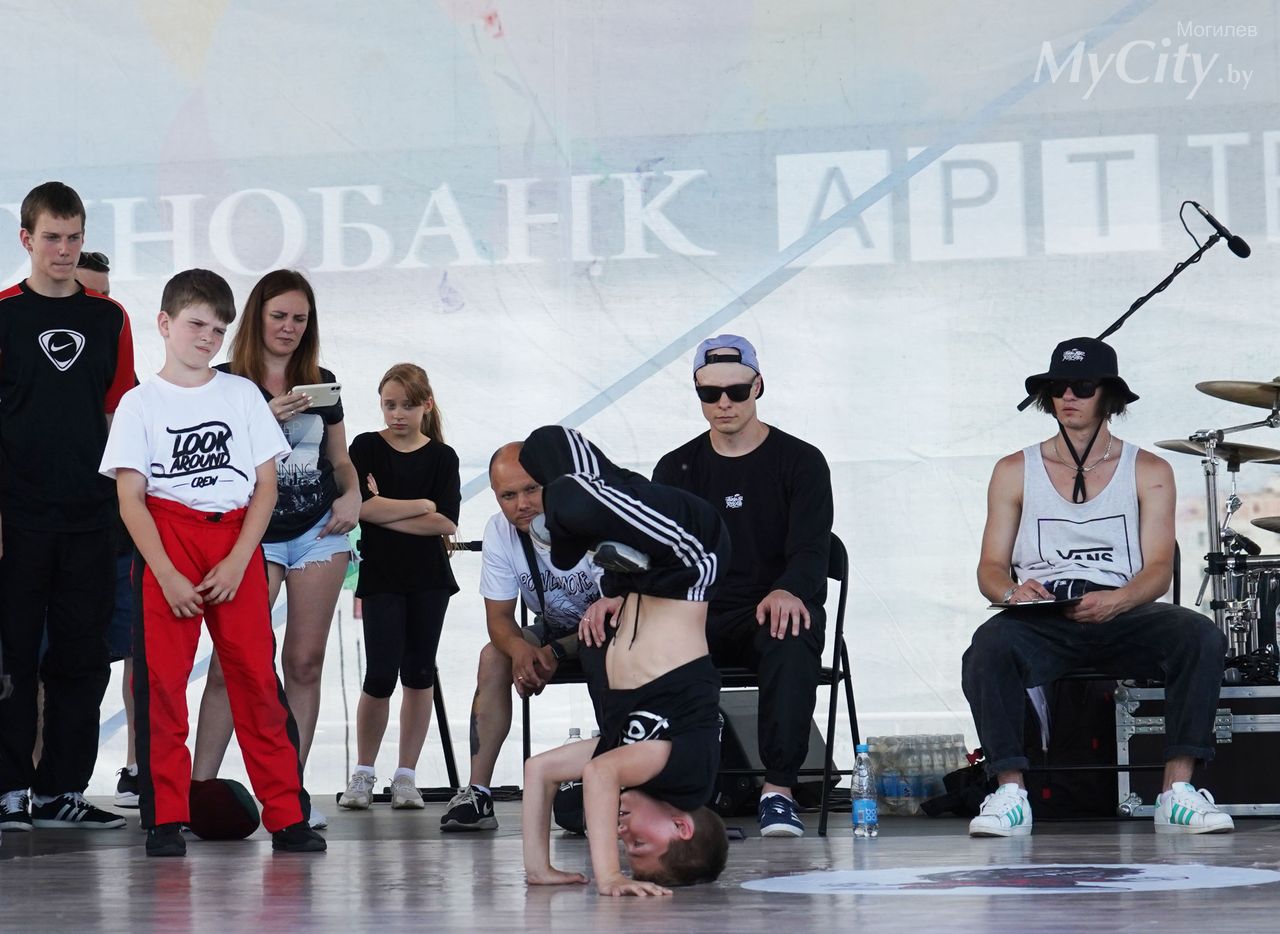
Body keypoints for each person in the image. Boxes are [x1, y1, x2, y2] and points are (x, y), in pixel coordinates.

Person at [962, 336, 1232, 837]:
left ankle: (1176, 792)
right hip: (1046, 613)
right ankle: (1010, 793)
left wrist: (1120, 599)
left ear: (1108, 395)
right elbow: (991, 568)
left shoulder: (1149, 469)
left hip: (1124, 607)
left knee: (1200, 636)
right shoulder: (1013, 469)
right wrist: (1011, 594)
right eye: (1057, 387)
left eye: (1083, 386)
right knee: (987, 645)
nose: (1068, 395)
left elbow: (1158, 569)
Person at [99, 267, 325, 857]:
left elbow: (266, 485)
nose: (207, 337)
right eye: (196, 324)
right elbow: (130, 497)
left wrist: (238, 560)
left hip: (235, 539)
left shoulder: (240, 394)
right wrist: (167, 574)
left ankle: (287, 815)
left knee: (256, 679)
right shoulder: (139, 403)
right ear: (164, 323)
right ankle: (165, 819)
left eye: (218, 329)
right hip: (167, 538)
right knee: (162, 687)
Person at [519, 426, 729, 896]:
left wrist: (539, 867)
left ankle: (581, 529)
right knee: (572, 496)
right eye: (639, 844)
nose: (622, 833)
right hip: (692, 559)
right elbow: (600, 774)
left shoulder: (628, 754)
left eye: (624, 848)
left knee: (544, 449)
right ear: (681, 826)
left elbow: (540, 771)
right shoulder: (687, 780)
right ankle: (574, 524)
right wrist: (610, 876)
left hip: (644, 578)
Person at [191, 270, 360, 831]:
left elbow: (339, 458)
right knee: (231, 663)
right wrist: (265, 417)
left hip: (318, 531)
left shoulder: (322, 382)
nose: (289, 327)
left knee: (304, 663)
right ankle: (199, 791)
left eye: (300, 319)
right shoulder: (224, 381)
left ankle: (290, 795)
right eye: (279, 316)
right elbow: (210, 459)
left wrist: (353, 494)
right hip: (252, 536)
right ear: (257, 317)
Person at [651, 334, 832, 837]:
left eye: (736, 390)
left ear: (759, 387)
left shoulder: (801, 460)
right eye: (710, 394)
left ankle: (779, 790)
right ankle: (658, 785)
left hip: (770, 609)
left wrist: (788, 589)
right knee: (634, 641)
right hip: (698, 614)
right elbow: (660, 556)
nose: (724, 403)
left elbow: (812, 549)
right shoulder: (676, 467)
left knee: (791, 632)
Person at [0, 182, 134, 832]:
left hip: (91, 518)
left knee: (82, 659)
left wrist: (130, 508)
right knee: (13, 658)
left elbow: (120, 418)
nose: (64, 249)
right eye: (52, 237)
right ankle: (8, 791)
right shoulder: (3, 314)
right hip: (18, 518)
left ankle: (60, 791)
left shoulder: (109, 318)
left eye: (74, 237)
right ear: (27, 238)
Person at [440, 442, 606, 832]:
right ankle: (478, 794)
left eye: (531, 489)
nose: (522, 504)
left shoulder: (591, 518)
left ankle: (618, 774)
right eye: (508, 496)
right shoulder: (500, 531)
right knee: (492, 656)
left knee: (606, 650)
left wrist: (553, 652)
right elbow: (499, 617)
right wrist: (519, 651)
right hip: (554, 629)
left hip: (614, 628)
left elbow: (623, 610)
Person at [339, 364, 460, 811]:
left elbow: (445, 523)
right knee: (379, 674)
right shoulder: (366, 447)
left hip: (429, 578)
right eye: (389, 405)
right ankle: (363, 772)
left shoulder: (442, 457)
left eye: (407, 405)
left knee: (419, 672)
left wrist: (387, 508)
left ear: (426, 405)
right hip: (383, 576)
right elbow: (360, 509)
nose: (397, 414)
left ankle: (405, 775)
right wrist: (420, 505)